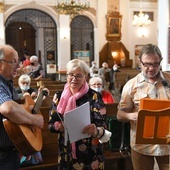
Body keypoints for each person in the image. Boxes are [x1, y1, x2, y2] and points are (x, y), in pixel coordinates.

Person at [49, 59, 108, 170]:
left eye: (78, 76)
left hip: (90, 152)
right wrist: (58, 126)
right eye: (70, 75)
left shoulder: (94, 96)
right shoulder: (59, 96)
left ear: (85, 76)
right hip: (66, 152)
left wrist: (95, 130)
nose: (74, 79)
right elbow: (51, 125)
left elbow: (103, 125)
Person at [117, 44, 169, 170]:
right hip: (141, 145)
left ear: (160, 61)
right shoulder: (131, 85)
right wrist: (130, 115)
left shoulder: (168, 80)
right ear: (140, 62)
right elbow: (120, 115)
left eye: (155, 64)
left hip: (167, 143)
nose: (151, 68)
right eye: (147, 64)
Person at [0, 44, 44, 169]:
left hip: (10, 152)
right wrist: (35, 120)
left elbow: (16, 106)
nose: (19, 66)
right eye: (13, 62)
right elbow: (8, 109)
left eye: (18, 61)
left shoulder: (8, 84)